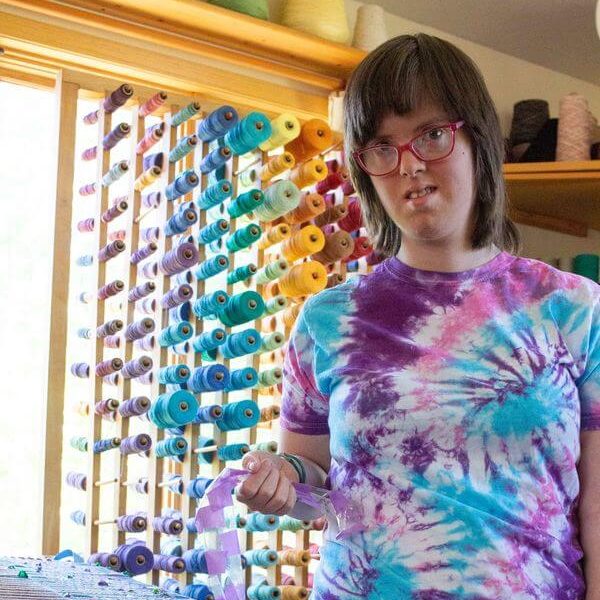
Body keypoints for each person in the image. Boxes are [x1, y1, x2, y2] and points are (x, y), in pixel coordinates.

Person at [235, 33, 600, 599]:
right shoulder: (326, 320)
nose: (408, 166)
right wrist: (280, 482)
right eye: (381, 146)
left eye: (432, 135)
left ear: (477, 139)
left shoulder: (574, 308)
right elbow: (314, 487)